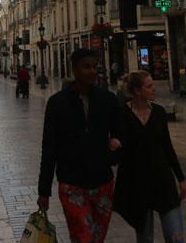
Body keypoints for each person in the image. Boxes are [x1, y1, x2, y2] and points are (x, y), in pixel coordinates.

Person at [37, 48, 120, 243]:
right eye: (86, 67)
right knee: (84, 237)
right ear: (74, 70)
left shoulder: (108, 100)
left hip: (102, 182)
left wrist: (113, 154)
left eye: (95, 67)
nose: (92, 71)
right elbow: (49, 148)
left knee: (97, 238)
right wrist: (44, 190)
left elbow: (120, 135)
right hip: (72, 183)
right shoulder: (57, 103)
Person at [113, 69, 186, 242]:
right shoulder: (123, 114)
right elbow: (119, 154)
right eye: (149, 86)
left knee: (176, 237)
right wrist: (113, 146)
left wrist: (181, 178)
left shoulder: (159, 112)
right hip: (139, 185)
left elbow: (167, 147)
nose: (154, 89)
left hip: (163, 182)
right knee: (145, 238)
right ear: (138, 91)